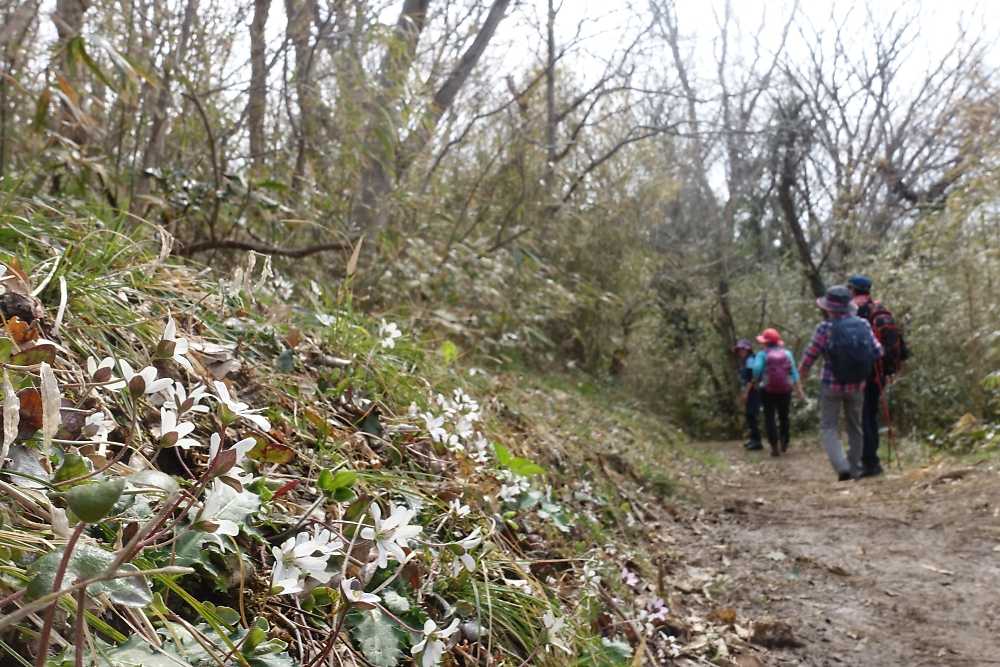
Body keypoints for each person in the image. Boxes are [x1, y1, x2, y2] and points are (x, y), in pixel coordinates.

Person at [799, 286, 883, 481]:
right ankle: (855, 468)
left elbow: (810, 356)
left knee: (828, 426)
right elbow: (878, 351)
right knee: (855, 426)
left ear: (829, 308)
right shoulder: (863, 324)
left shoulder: (824, 328)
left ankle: (842, 466)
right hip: (857, 385)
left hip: (831, 384)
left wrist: (801, 375)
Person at [847, 275, 909, 477]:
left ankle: (869, 463)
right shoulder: (879, 309)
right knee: (870, 414)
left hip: (863, 372)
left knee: (862, 416)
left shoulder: (855, 311)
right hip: (879, 372)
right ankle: (871, 460)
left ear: (852, 289)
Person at [750, 328, 806, 457]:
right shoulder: (787, 354)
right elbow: (794, 372)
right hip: (785, 390)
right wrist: (799, 390)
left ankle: (774, 446)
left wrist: (756, 381)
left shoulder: (762, 354)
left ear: (765, 342)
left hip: (767, 390)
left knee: (769, 417)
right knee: (784, 416)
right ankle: (784, 442)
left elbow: (756, 369)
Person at [734, 339, 763, 451]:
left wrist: (746, 392)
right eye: (739, 350)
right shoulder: (745, 361)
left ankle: (757, 441)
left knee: (752, 414)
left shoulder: (751, 360)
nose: (741, 352)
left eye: (743, 349)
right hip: (750, 391)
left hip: (753, 391)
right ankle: (753, 438)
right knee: (749, 415)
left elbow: (752, 378)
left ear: (748, 350)